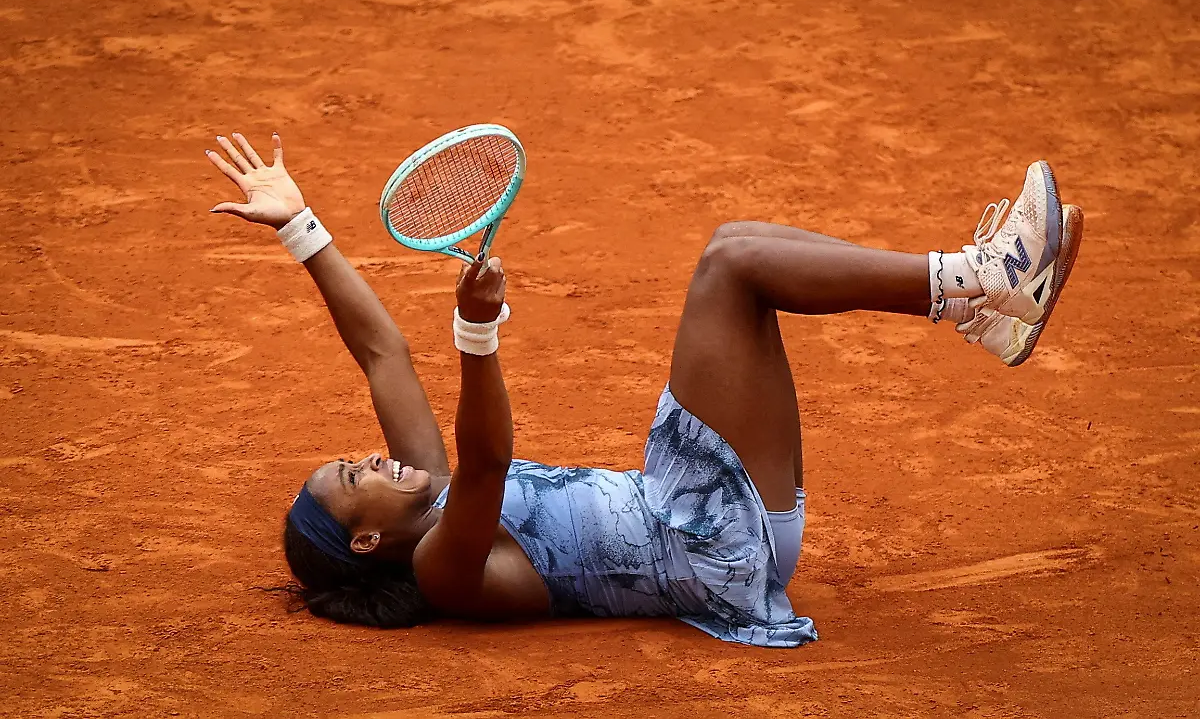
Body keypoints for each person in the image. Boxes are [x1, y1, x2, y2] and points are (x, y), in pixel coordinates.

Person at [205, 132, 1083, 647]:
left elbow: (383, 356)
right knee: (733, 264)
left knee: (738, 251)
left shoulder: (420, 497)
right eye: (356, 477)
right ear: (364, 543)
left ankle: (983, 301)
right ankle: (983, 281)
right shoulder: (444, 571)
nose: (374, 459)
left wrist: (301, 226)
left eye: (358, 458)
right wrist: (477, 330)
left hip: (686, 505)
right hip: (703, 545)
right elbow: (489, 461)